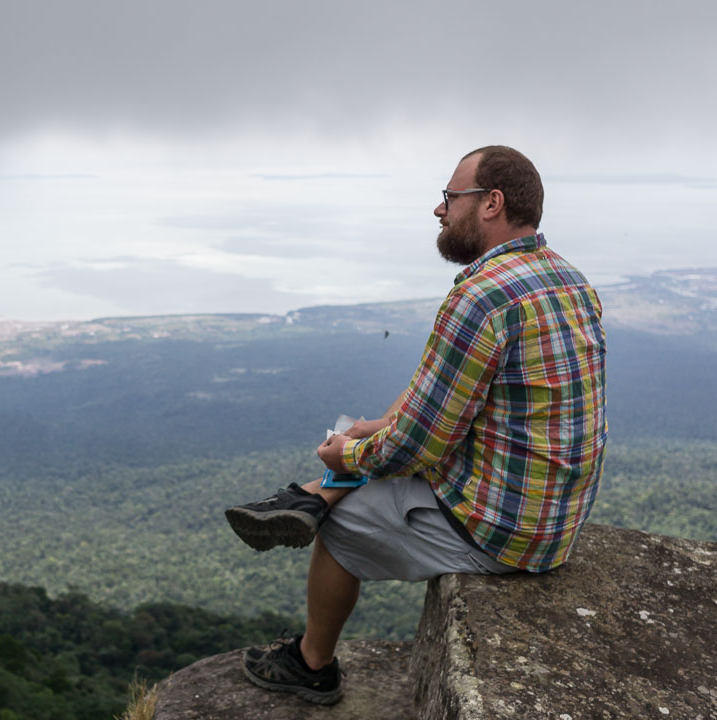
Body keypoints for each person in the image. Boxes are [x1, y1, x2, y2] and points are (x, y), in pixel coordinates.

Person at [224, 146, 607, 705]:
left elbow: (419, 445)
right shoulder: (568, 279)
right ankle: (310, 497)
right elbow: (448, 403)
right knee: (376, 444)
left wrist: (346, 457)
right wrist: (374, 429)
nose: (439, 210)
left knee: (340, 528)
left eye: (451, 198)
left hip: (505, 528)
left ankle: (312, 662)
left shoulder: (482, 295)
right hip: (552, 509)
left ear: (491, 203)